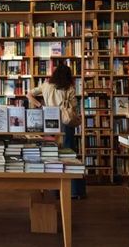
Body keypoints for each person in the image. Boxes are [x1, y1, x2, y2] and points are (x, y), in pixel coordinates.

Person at [26, 63, 86, 199]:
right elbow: (74, 106)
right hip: (65, 123)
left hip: (49, 122)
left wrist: (40, 105)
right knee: (69, 156)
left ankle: (53, 189)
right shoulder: (69, 88)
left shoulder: (46, 86)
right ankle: (73, 191)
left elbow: (29, 94)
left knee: (50, 154)